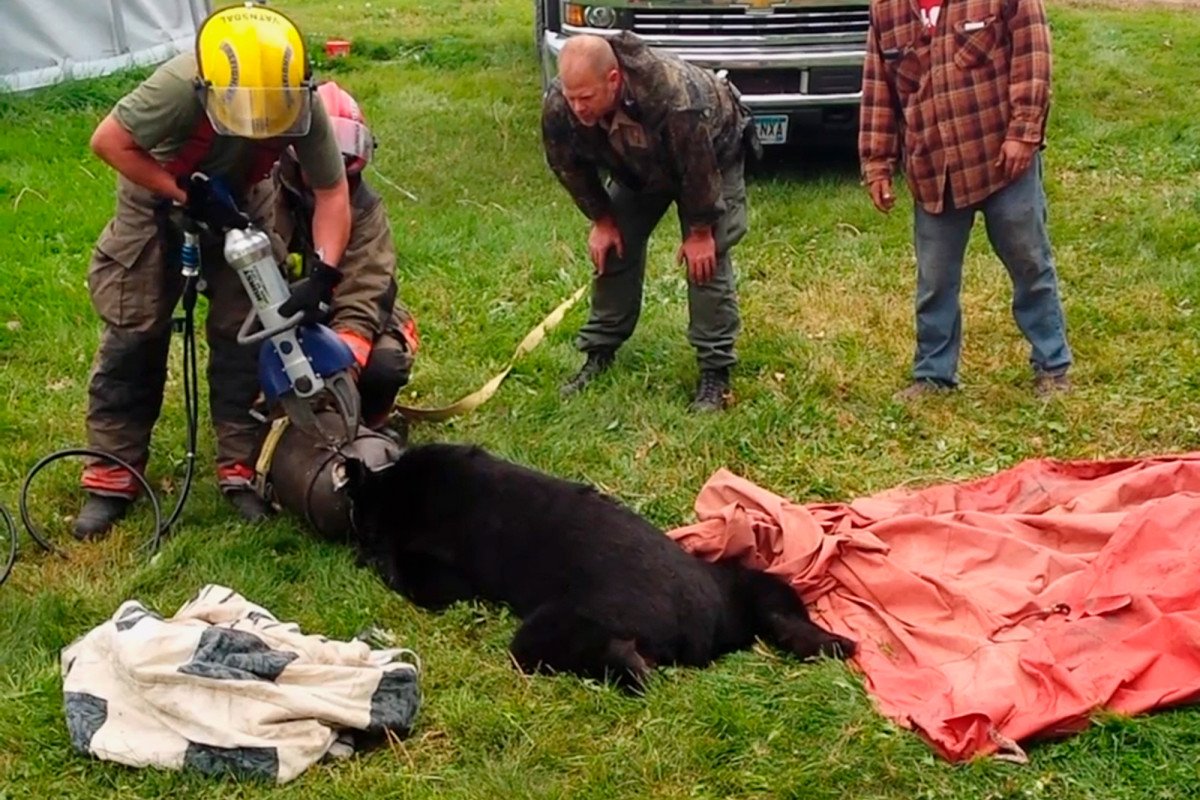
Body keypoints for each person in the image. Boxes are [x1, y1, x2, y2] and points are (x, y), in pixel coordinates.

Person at [75, 3, 352, 539]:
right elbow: (109, 141)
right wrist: (186, 195)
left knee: (248, 331)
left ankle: (241, 467)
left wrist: (324, 272)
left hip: (246, 198)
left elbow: (332, 189)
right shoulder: (178, 85)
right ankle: (112, 471)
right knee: (136, 329)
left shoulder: (303, 100)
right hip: (158, 190)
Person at [858, 0, 1073, 399]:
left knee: (1029, 262)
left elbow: (1033, 53)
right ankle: (933, 375)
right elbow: (878, 90)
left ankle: (1052, 364)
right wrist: (877, 163)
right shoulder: (884, 9)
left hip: (1001, 161)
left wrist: (1023, 133)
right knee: (934, 281)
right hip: (933, 171)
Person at [541, 32, 758, 413]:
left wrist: (701, 230)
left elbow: (698, 166)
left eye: (586, 98)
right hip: (640, 162)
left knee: (706, 260)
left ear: (613, 79)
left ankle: (715, 371)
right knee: (614, 245)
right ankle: (600, 352)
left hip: (711, 153)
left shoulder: (672, 96)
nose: (577, 107)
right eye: (571, 96)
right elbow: (568, 166)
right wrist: (603, 218)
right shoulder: (562, 103)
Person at [271, 81, 420, 434]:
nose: (329, 167)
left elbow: (366, 289)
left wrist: (340, 372)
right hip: (281, 318)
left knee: (384, 367)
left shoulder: (365, 209)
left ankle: (370, 423)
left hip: (351, 314)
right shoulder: (269, 192)